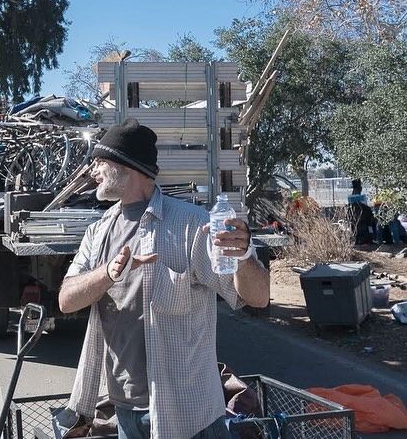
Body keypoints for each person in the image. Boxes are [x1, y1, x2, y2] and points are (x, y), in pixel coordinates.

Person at [58, 118, 270, 439]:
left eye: (101, 161)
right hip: (125, 410)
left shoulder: (190, 226)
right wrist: (109, 273)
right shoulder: (98, 231)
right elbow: (66, 300)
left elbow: (257, 297)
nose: (94, 170)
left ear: (126, 166)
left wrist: (242, 257)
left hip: (189, 413)